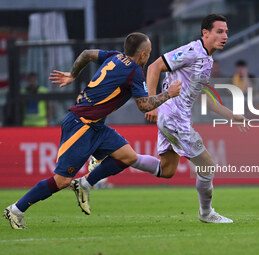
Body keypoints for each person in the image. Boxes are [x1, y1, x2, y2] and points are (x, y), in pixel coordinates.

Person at [80, 14, 248, 224]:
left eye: (226, 32)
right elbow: (154, 67)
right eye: (219, 31)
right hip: (174, 118)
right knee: (208, 166)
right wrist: (151, 101)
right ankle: (206, 213)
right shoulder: (191, 51)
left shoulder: (206, 59)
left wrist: (230, 115)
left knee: (167, 170)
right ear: (205, 33)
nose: (225, 36)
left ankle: (115, 161)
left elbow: (202, 96)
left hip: (175, 117)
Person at [3, 32, 181, 229]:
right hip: (81, 125)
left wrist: (73, 74)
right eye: (148, 53)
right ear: (143, 55)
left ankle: (84, 184)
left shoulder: (115, 56)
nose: (148, 57)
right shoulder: (134, 71)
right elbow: (144, 106)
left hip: (95, 125)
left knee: (127, 157)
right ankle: (15, 210)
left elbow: (87, 53)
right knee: (61, 181)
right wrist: (168, 94)